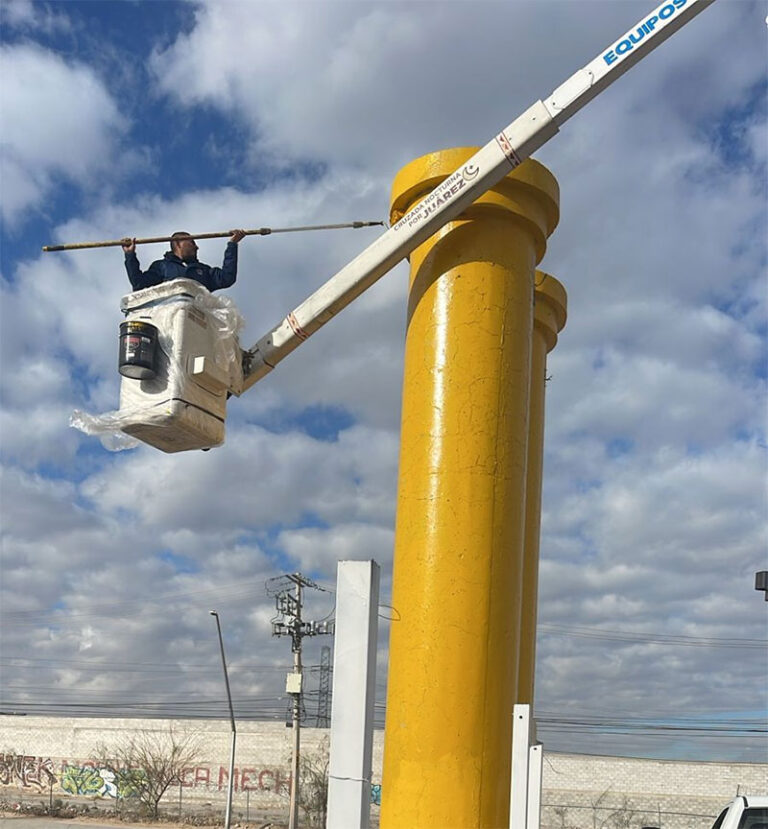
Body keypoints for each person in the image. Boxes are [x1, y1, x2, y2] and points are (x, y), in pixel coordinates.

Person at [122, 229, 246, 292]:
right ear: (178, 244)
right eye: (192, 242)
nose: (196, 247)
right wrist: (130, 255)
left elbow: (227, 278)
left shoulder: (203, 270)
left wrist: (232, 245)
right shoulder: (161, 266)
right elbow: (139, 284)